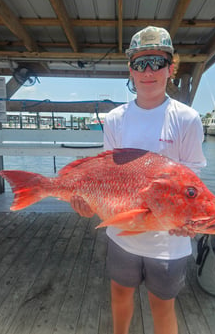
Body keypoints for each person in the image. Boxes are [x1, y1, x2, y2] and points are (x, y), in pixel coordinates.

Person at [70, 26, 206, 334]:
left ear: (171, 68)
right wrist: (89, 204)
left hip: (169, 242)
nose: (148, 71)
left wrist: (190, 218)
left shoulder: (187, 119)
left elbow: (193, 181)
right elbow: (107, 174)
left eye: (157, 62)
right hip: (122, 233)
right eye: (140, 62)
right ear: (130, 69)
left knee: (162, 306)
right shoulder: (116, 119)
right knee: (119, 295)